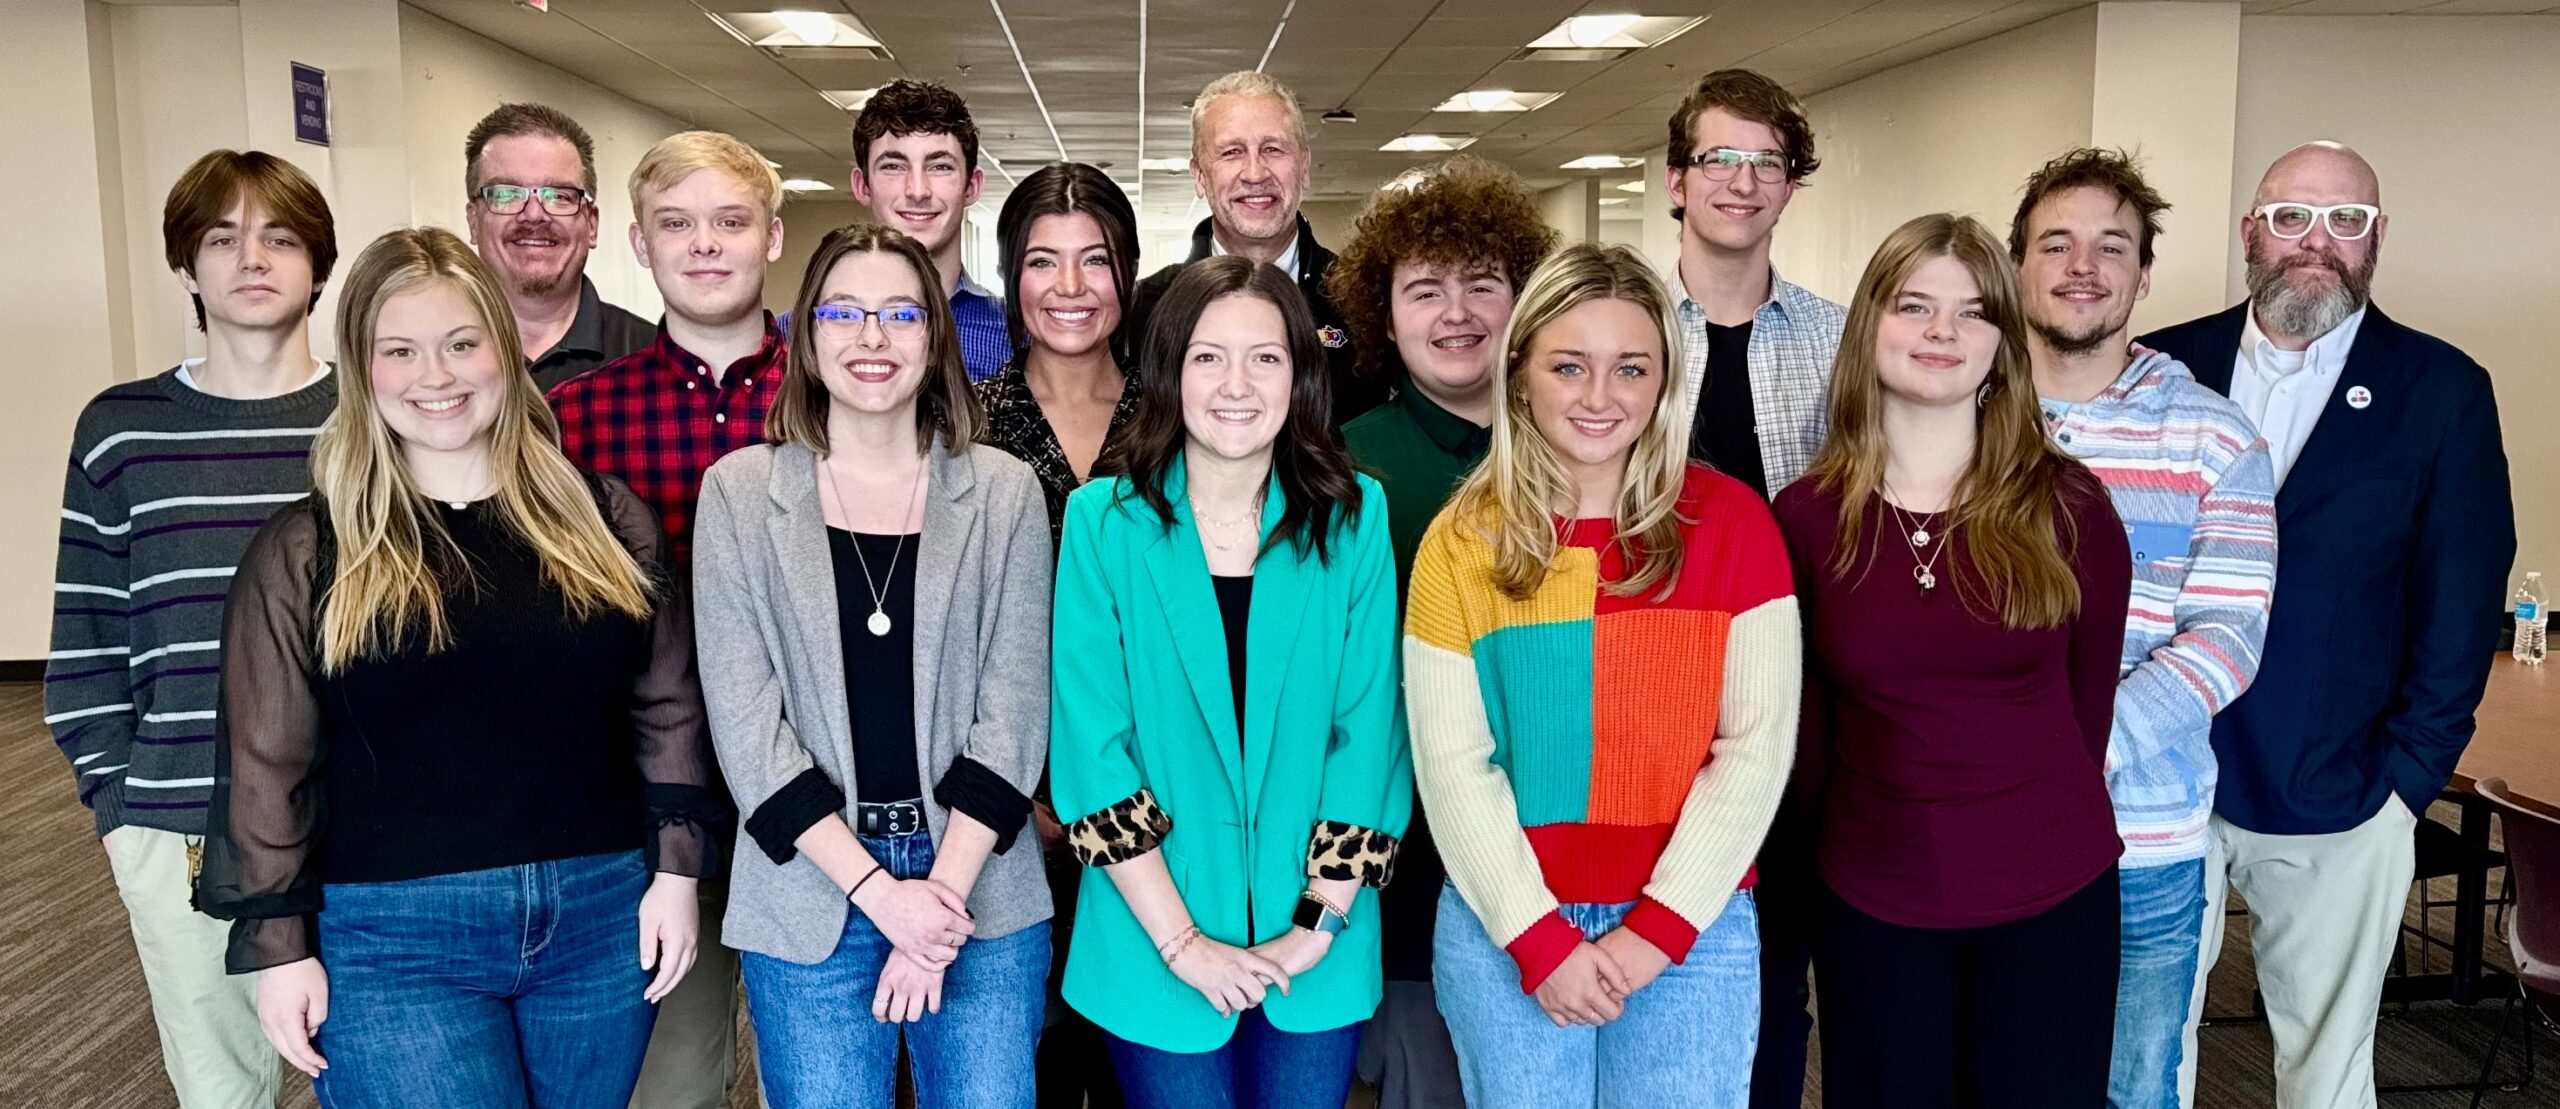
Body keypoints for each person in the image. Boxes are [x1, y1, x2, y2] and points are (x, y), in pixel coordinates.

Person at [193, 226, 721, 1109]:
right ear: (361, 368)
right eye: (398, 350)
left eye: (460, 343)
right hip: (393, 937)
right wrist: (280, 944)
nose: (434, 376)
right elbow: (266, 766)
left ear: (504, 352)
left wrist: (674, 874)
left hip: (599, 913)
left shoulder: (605, 519)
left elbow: (666, 705)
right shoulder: (309, 549)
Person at [2138, 142, 2516, 1109]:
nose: (2320, 242)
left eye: (2347, 221)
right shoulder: (2162, 364)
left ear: (2377, 239)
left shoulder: (2441, 390)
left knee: (2326, 1068)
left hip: (2345, 787)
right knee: (2142, 1048)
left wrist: (2408, 780)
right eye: (2294, 216)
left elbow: (2462, 599)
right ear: (2250, 232)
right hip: (2160, 772)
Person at [1403, 241, 1796, 1108]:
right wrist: (1539, 941)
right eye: (1569, 365)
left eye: (1630, 368)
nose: (1598, 396)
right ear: (1520, 373)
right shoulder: (1461, 540)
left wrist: (1654, 933)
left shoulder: (1734, 527)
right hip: (1507, 925)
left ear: (1664, 382)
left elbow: (1755, 750)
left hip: (1689, 930)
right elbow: (1453, 768)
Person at [1775, 213, 2132, 1109]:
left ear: (2002, 345)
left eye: (1974, 313)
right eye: (1915, 306)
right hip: (1872, 897)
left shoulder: (2072, 506)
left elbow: (2087, 714)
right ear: (1871, 328)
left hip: (2050, 893)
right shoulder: (1808, 517)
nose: (1943, 333)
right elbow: (1806, 732)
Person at [691, 223, 1052, 1107]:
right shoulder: (740, 493)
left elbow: (1014, 716)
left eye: (899, 313)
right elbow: (748, 732)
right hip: (810, 888)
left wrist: (937, 896)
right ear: (807, 336)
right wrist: (884, 898)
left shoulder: (1003, 492)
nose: (872, 337)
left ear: (935, 338)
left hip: (977, 887)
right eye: (843, 312)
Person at [1049, 255, 1408, 1109]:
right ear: (1169, 370)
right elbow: (1094, 752)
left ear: (1300, 373)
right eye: (1208, 356)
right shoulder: (1102, 523)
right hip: (1151, 939)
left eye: (1266, 357)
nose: (1236, 384)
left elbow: (1369, 736)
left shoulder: (1354, 517)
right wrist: (1182, 944)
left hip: (1317, 939)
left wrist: (1315, 927)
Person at [45, 148, 338, 1109]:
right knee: (224, 1093)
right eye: (223, 239)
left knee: (385, 1080)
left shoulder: (370, 419)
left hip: (358, 816)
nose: (252, 259)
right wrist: (117, 801)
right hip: (177, 824)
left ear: (319, 265)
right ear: (188, 266)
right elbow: (87, 633)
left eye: (280, 238)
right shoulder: (122, 428)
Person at [2008, 148, 2279, 1109]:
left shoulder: (2213, 437)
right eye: (2058, 242)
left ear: (2143, 276)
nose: (2083, 265)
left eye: (2110, 246)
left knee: (2129, 1091)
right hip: (1973, 839)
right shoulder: (1954, 421)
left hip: (2143, 845)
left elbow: (2226, 636)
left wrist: (2080, 749)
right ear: (2019, 268)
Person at [547, 129, 789, 1109]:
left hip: (814, 794)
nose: (704, 245)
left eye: (730, 221)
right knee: (673, 1082)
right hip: (647, 802)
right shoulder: (572, 418)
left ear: (771, 237)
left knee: (825, 1079)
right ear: (638, 245)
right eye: (675, 224)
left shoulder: (837, 396)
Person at [1323, 153, 1556, 1109]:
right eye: (1425, 290)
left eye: (1482, 285)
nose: (1456, 313)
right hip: (1413, 865)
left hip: (1565, 845)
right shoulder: (1344, 467)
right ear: (1385, 316)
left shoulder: (1581, 444)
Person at [1658, 70, 1846, 1108]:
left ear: (1789, 184)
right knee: (1660, 957)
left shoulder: (1840, 340)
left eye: (1765, 161)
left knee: (1779, 977)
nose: (1742, 180)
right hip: (1651, 697)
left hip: (1803, 706)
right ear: (1677, 180)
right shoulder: (1621, 331)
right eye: (1719, 158)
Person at [969, 160, 1141, 1109]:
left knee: (1133, 1058)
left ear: (1128, 271)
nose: (1070, 289)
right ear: (1011, 275)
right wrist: (1024, 787)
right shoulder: (963, 422)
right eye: (1043, 262)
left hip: (1154, 800)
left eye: (1095, 261)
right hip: (1002, 807)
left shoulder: (1180, 418)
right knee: (1017, 1059)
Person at [1128, 72, 1378, 424]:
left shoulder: (1364, 299)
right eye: (1232, 152)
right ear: (1200, 176)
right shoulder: (1146, 309)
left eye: (1273, 149)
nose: (1255, 172)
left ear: (1304, 168)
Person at [464, 103, 655, 390]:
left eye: (559, 196)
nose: (533, 214)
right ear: (474, 221)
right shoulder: (427, 360)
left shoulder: (654, 360)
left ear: (591, 225)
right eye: (506, 194)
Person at [850, 80, 1009, 381]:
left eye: (940, 167)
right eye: (893, 166)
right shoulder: (799, 335)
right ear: (862, 186)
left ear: (972, 186)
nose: (918, 191)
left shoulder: (1016, 339)